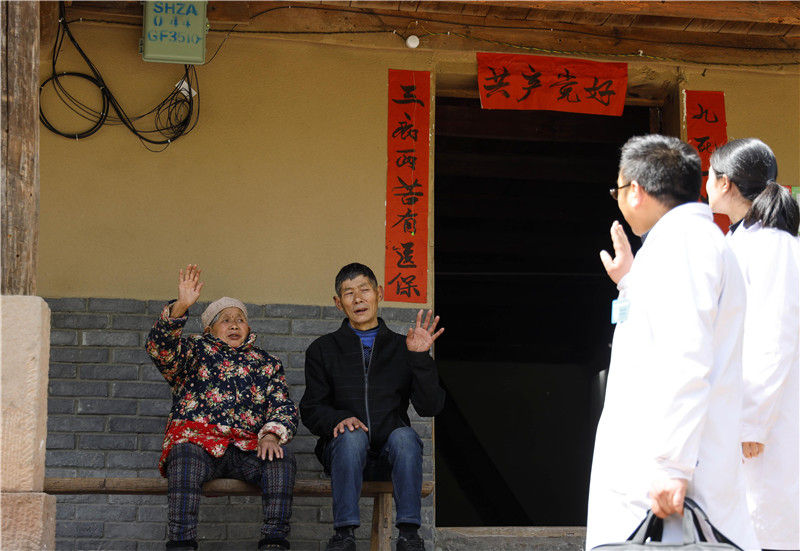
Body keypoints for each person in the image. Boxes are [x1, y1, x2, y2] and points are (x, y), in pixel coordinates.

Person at [586, 135, 758, 549]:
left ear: (636, 190)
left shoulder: (684, 244)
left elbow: (687, 356)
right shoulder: (683, 242)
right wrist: (630, 282)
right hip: (669, 471)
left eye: (617, 189)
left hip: (670, 482)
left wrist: (671, 467)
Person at [145, 265, 298, 551]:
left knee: (281, 459)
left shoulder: (267, 363)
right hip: (199, 444)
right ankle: (181, 543)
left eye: (240, 320)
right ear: (209, 329)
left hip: (246, 447)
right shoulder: (193, 351)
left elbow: (283, 405)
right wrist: (180, 307)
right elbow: (159, 349)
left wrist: (271, 435)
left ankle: (274, 541)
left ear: (248, 328)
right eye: (225, 320)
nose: (234, 325)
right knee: (183, 454)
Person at [299, 263, 445, 551]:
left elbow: (431, 406)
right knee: (351, 436)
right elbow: (311, 408)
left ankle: (409, 536)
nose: (358, 299)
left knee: (405, 437)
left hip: (390, 457)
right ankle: (344, 536)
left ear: (379, 293)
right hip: (343, 454)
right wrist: (339, 419)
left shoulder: (403, 347)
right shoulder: (322, 349)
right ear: (338, 303)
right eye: (348, 293)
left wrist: (420, 359)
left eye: (364, 290)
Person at [705, 138, 799, 551]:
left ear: (725, 183)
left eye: (709, 176)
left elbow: (775, 336)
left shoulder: (773, 245)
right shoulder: (738, 241)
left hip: (764, 423)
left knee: (764, 528)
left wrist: (753, 421)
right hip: (738, 416)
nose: (706, 185)